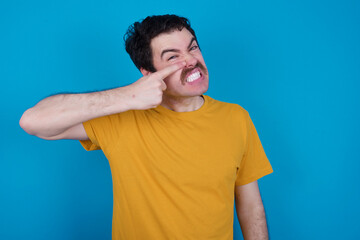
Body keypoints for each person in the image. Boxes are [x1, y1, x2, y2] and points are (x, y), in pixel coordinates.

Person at [20, 14, 273, 240]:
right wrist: (127, 96)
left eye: (193, 48)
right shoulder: (121, 118)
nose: (190, 61)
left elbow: (251, 206)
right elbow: (32, 121)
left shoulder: (236, 118)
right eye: (173, 57)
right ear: (148, 73)